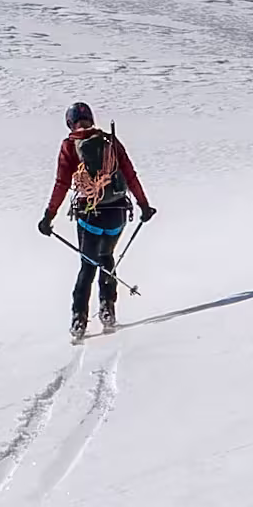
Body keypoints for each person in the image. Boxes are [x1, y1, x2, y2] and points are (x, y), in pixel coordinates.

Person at [36, 101, 155, 337]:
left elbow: (61, 184)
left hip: (90, 215)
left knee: (88, 265)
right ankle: (107, 309)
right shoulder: (110, 140)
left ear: (70, 123)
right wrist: (144, 205)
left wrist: (48, 217)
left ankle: (79, 319)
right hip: (117, 214)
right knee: (107, 258)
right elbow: (130, 174)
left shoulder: (70, 146)